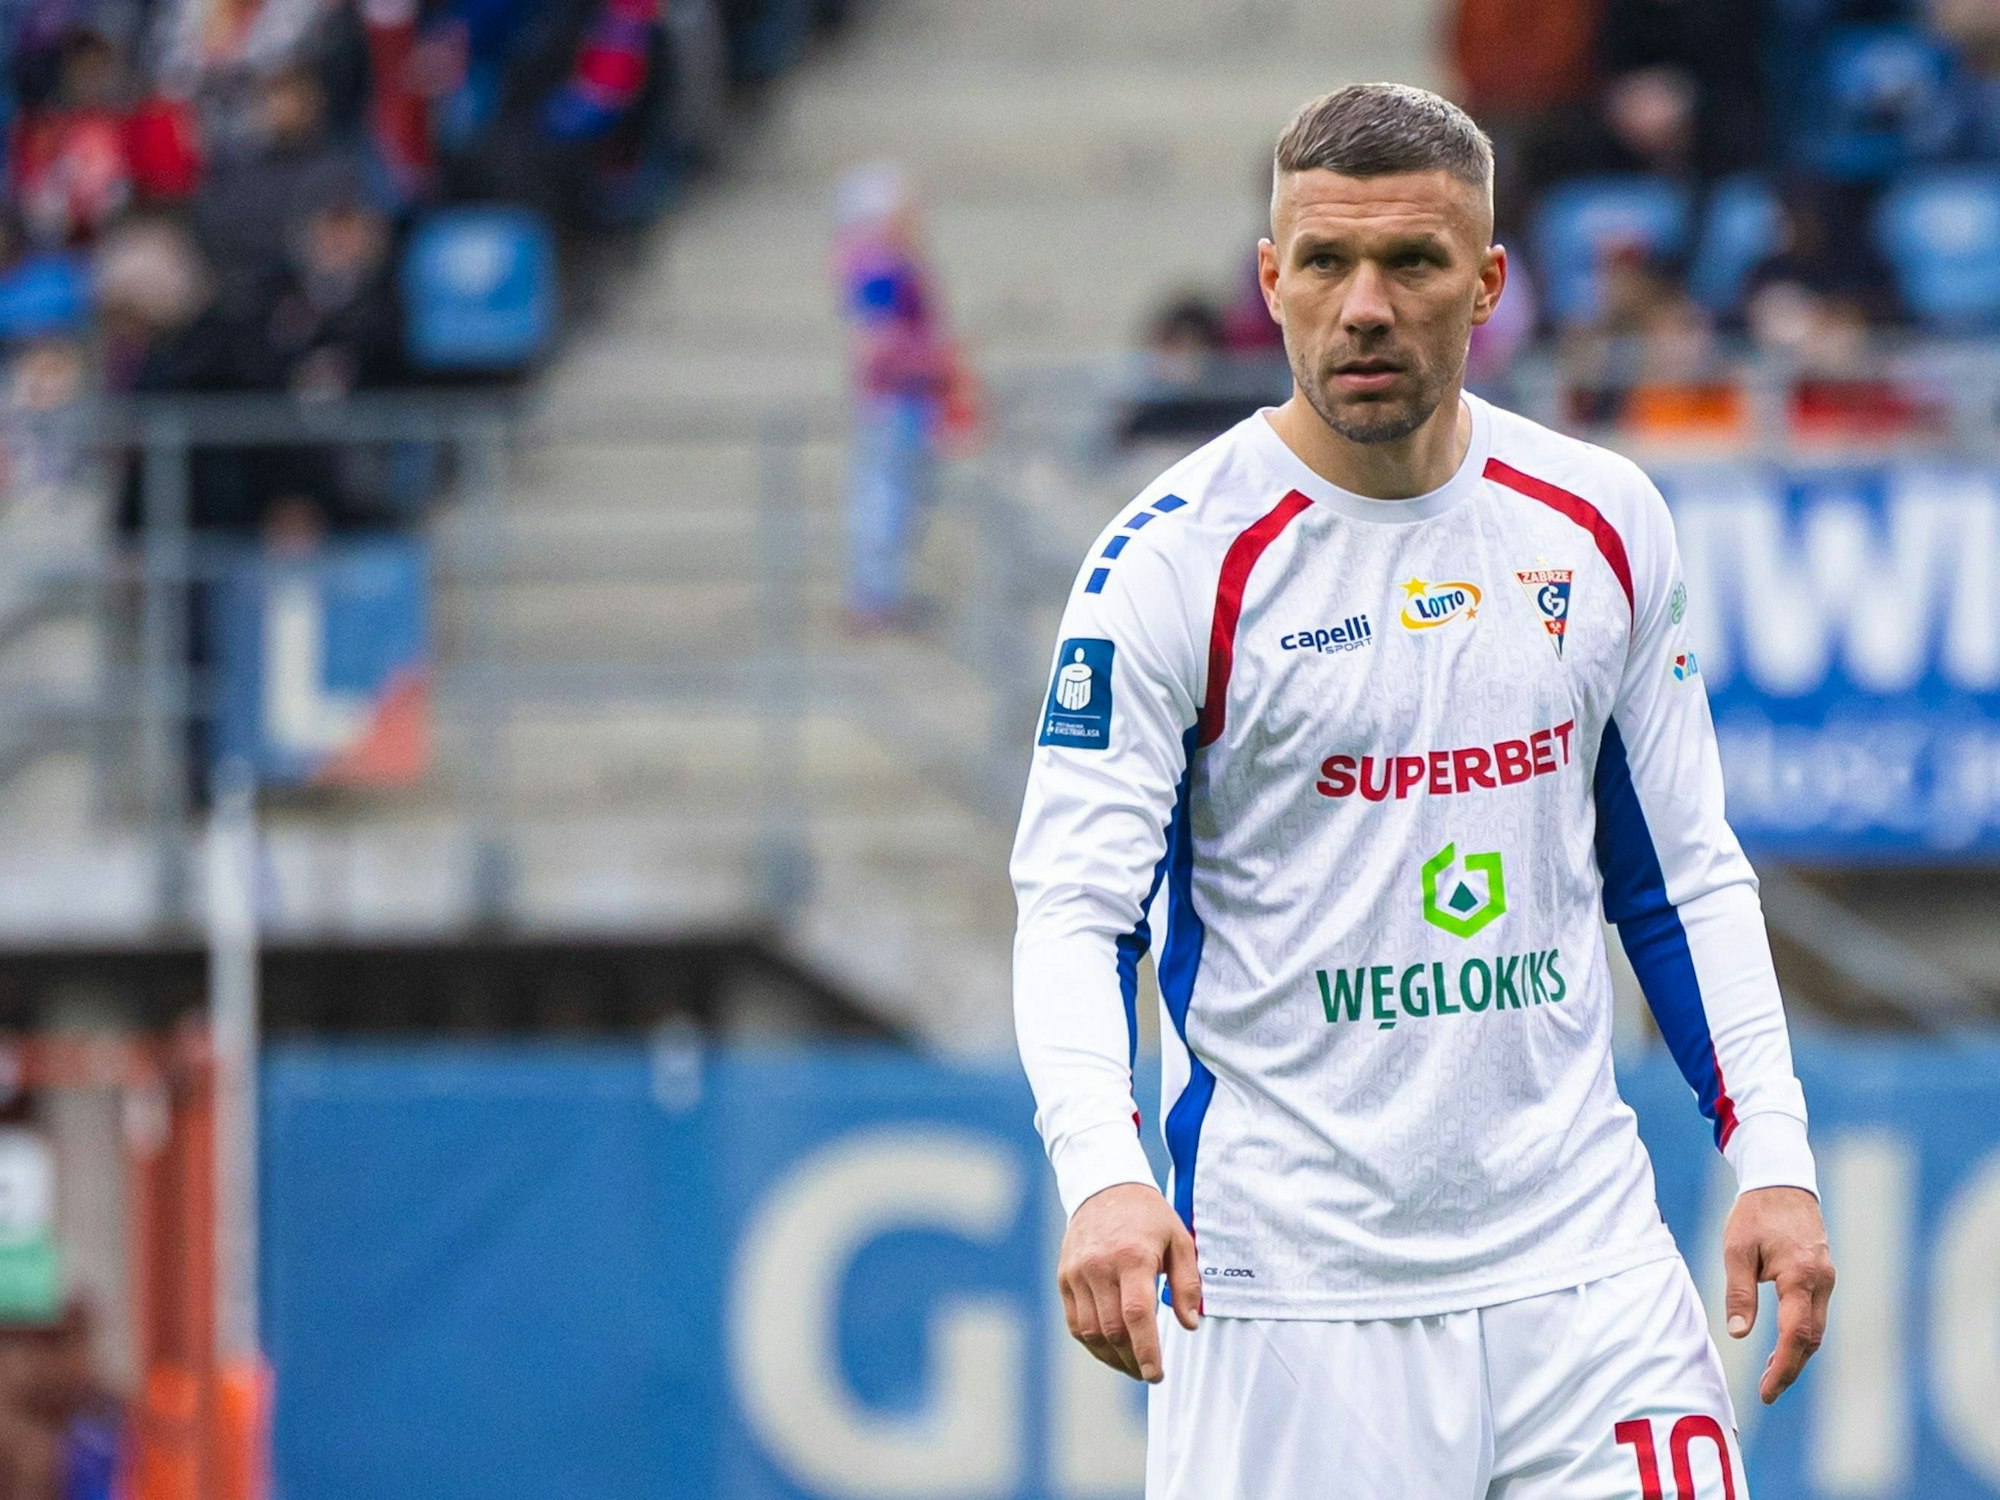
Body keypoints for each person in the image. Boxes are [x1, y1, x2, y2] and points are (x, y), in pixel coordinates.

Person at [1011, 83, 1833, 1499]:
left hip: (1587, 1279)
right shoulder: (1169, 566)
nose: (1366, 305)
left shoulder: (1599, 522)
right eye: (1325, 263)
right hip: (1287, 1306)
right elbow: (1077, 907)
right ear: (1270, 281)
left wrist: (1774, 1149)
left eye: (1414, 263)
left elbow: (1683, 876)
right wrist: (1103, 1168)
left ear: (1492, 284)